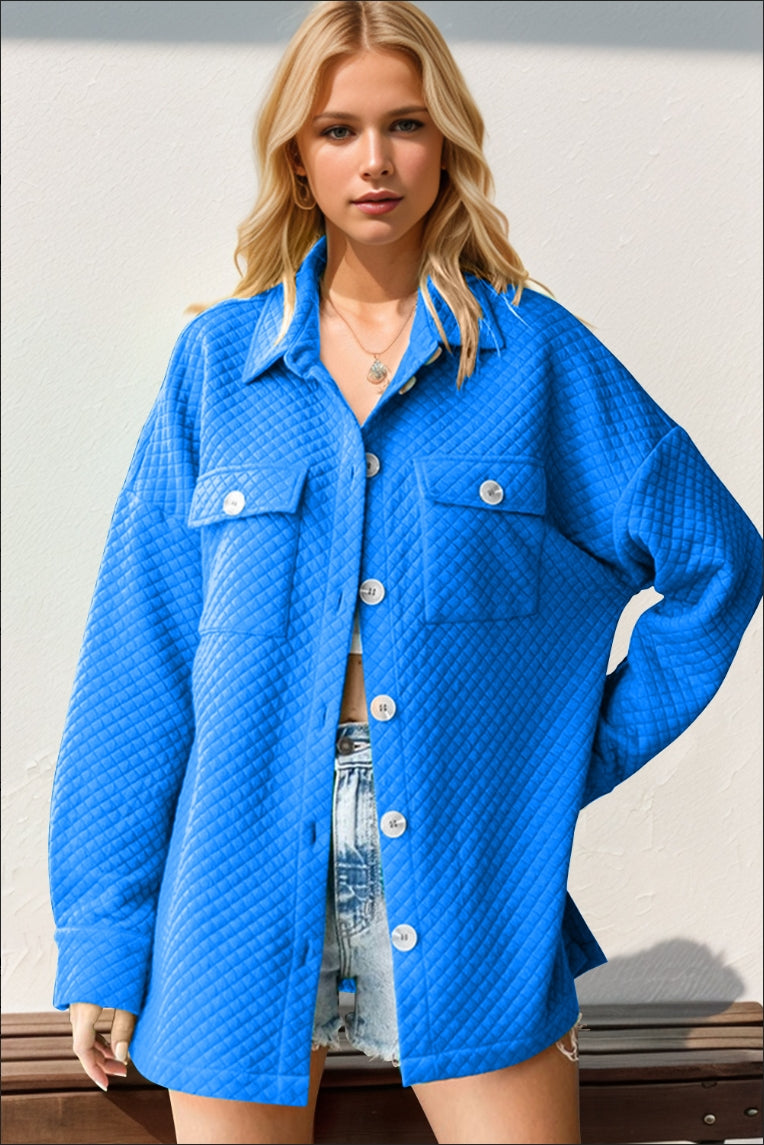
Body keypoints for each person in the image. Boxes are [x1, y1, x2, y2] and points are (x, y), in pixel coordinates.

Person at [47, 2, 762, 1143]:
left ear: (447, 144)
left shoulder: (537, 358)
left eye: (405, 125)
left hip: (475, 887)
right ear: (296, 155)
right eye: (338, 130)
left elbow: (715, 560)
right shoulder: (218, 368)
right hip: (230, 885)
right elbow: (139, 662)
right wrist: (102, 935)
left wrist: (560, 757)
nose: (373, 160)